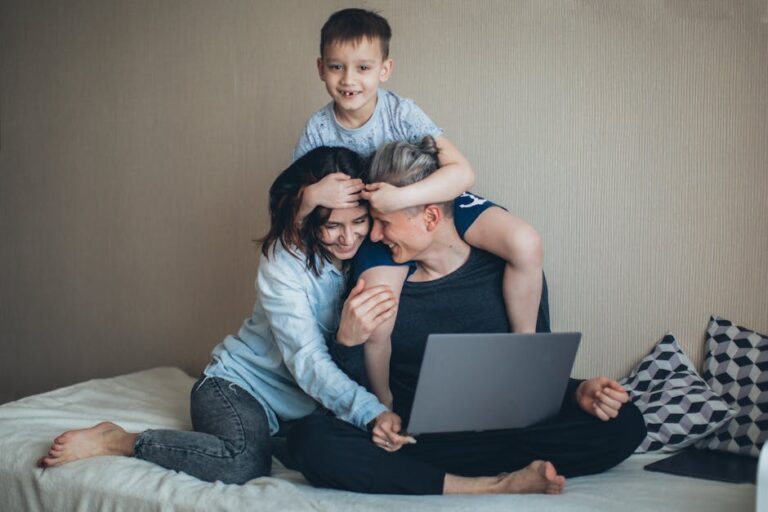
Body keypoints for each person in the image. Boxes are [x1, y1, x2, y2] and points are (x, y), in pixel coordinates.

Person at [285, 137, 647, 496]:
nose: (372, 235)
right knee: (310, 441)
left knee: (625, 422)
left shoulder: (507, 272)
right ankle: (493, 484)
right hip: (418, 439)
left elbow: (526, 374)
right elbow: (357, 394)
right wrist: (347, 342)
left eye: (383, 223)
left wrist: (577, 393)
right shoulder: (377, 278)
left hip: (506, 432)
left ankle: (441, 477)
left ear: (430, 216)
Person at [37, 146, 399, 484]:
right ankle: (119, 439)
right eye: (331, 226)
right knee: (243, 461)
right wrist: (370, 411)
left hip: (302, 409)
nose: (348, 237)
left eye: (358, 222)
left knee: (339, 453)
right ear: (308, 222)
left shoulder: (368, 258)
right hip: (237, 387)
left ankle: (274, 438)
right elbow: (308, 360)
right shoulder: (284, 262)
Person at [295, 7, 545, 410]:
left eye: (363, 67)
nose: (349, 79)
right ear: (321, 68)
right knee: (378, 312)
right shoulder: (317, 130)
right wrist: (313, 194)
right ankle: (383, 404)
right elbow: (294, 201)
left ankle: (525, 351)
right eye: (337, 67)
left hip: (428, 201)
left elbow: (462, 173)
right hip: (377, 225)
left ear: (385, 69)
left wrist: (402, 198)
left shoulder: (402, 112)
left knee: (526, 243)